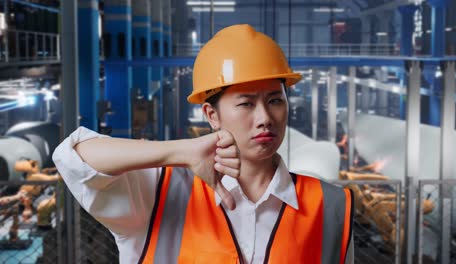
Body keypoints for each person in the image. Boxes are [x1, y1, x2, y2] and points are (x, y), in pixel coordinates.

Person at [53, 24, 354, 264]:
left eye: (275, 100)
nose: (265, 118)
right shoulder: (159, 193)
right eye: (246, 104)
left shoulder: (331, 206)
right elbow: (74, 156)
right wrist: (181, 151)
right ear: (212, 115)